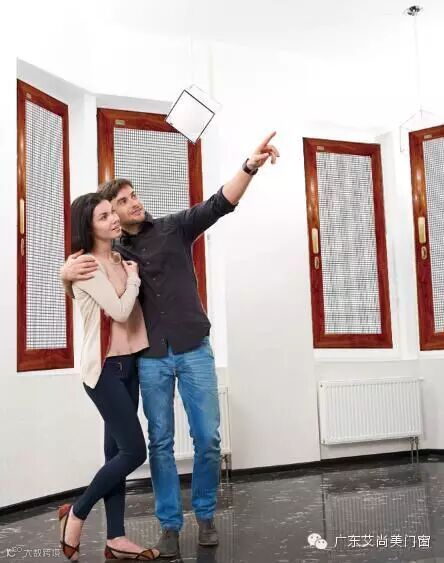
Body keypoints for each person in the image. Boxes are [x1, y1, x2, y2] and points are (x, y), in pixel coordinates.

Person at [60, 132, 280, 558]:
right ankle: (169, 525)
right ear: (110, 216)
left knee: (207, 438)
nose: (134, 203)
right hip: (150, 359)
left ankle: (206, 514)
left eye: (133, 196)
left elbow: (219, 203)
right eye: (122, 202)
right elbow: (87, 284)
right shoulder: (113, 254)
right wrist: (64, 275)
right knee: (158, 443)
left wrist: (249, 166)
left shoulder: (174, 228)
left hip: (193, 347)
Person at [57, 193, 159, 561]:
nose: (113, 219)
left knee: (115, 453)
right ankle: (77, 512)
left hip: (128, 364)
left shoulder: (117, 258)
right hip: (103, 370)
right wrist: (133, 281)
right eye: (103, 217)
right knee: (134, 451)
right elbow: (119, 310)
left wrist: (128, 273)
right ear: (89, 228)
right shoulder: (85, 266)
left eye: (111, 212)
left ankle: (116, 538)